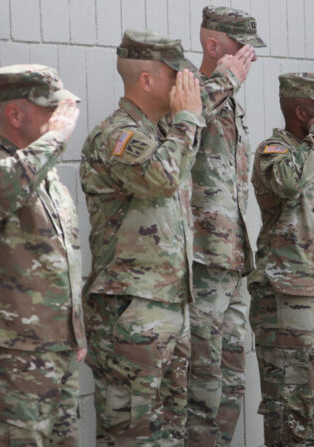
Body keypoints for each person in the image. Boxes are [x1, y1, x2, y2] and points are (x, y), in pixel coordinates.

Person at [80, 30, 248, 445]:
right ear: (147, 81)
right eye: (175, 77)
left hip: (169, 306)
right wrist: (190, 116)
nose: (183, 86)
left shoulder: (161, 134)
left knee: (171, 430)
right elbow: (161, 178)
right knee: (133, 433)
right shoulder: (118, 137)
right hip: (132, 311)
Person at [0, 64, 85, 445]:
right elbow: (6, 189)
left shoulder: (43, 171)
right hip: (11, 354)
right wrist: (55, 138)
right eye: (50, 110)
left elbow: (62, 257)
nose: (61, 118)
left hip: (57, 348)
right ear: (14, 114)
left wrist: (76, 331)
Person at [248, 72, 314, 447]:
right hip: (285, 296)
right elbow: (288, 183)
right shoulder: (274, 150)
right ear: (302, 112)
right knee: (288, 398)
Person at [187, 6, 263, 446]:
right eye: (241, 49)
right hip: (202, 257)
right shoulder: (189, 87)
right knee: (204, 373)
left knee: (233, 371)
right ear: (213, 46)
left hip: (232, 257)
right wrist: (227, 79)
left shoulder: (226, 96)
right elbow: (184, 121)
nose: (248, 59)